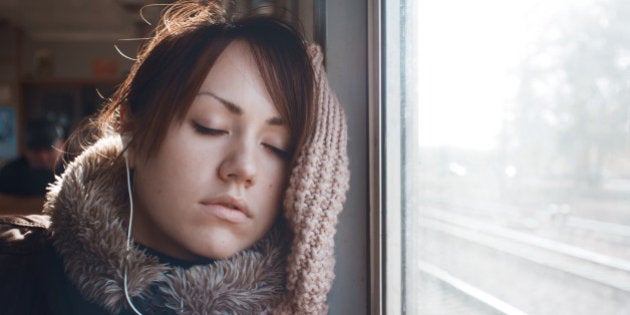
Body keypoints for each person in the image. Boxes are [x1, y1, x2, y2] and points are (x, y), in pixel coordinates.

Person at [0, 1, 349, 314]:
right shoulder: (13, 272)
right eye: (209, 126)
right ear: (133, 131)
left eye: (277, 147)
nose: (243, 168)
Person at [0, 120, 64, 196]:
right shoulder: (8, 175)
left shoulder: (73, 174)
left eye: (49, 150)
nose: (43, 157)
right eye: (36, 151)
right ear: (24, 150)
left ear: (62, 147)